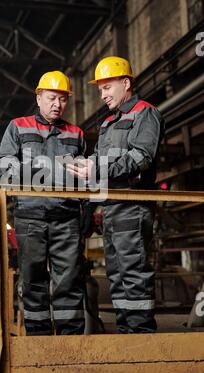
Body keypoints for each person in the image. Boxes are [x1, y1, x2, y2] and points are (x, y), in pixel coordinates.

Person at [67, 56, 164, 333]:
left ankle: (140, 337)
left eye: (107, 87)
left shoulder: (146, 114)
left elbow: (141, 157)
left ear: (125, 83)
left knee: (133, 274)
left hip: (132, 207)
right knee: (118, 276)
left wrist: (96, 166)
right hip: (110, 208)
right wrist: (88, 205)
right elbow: (99, 166)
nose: (102, 95)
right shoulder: (109, 123)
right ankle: (126, 336)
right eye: (100, 90)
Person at [0, 70, 86, 336]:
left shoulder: (76, 134)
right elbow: (1, 163)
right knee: (33, 280)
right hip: (30, 216)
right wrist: (34, 170)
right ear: (39, 97)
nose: (57, 104)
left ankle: (71, 346)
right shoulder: (18, 126)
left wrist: (88, 210)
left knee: (69, 281)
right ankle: (38, 343)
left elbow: (86, 178)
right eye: (52, 98)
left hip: (66, 218)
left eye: (63, 99)